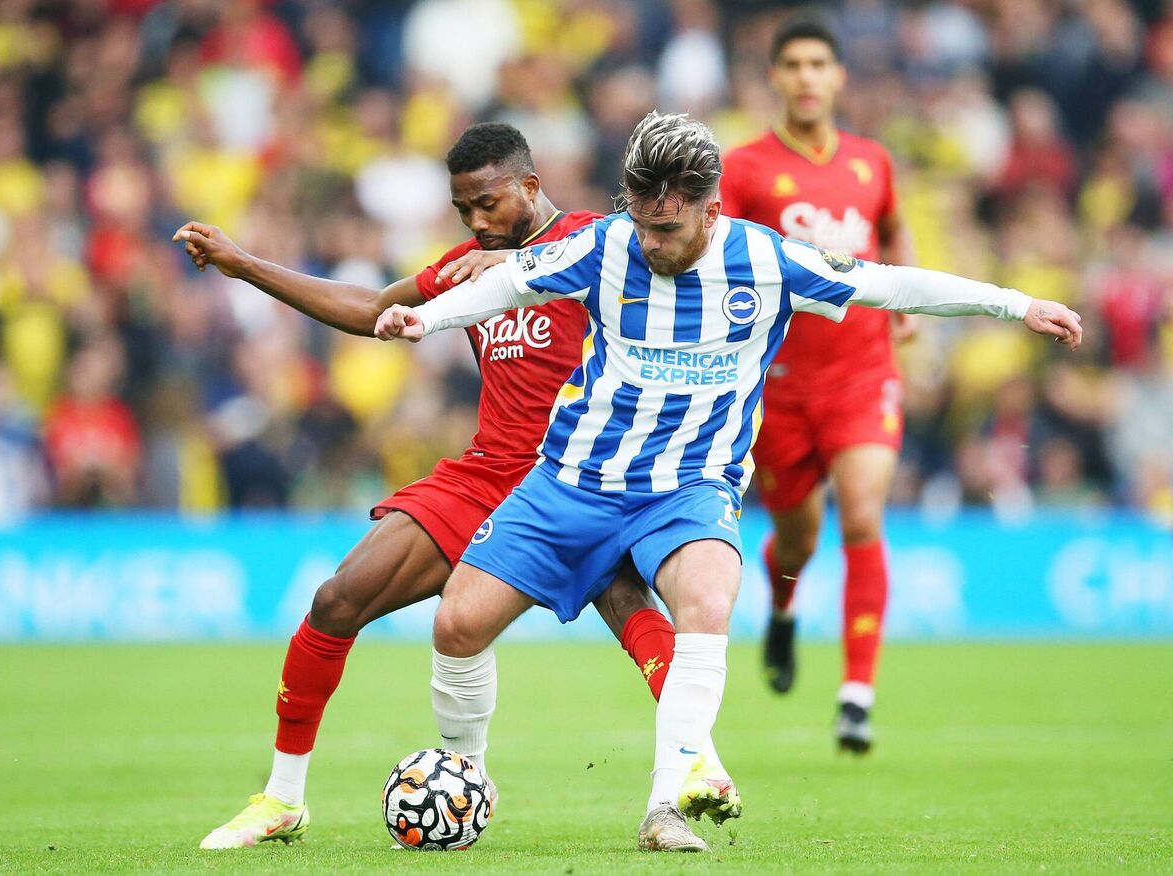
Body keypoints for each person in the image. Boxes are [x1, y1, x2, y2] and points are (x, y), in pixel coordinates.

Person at [374, 111, 1081, 852]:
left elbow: (891, 284)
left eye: (667, 230)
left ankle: (665, 810)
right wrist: (426, 322)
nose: (651, 243)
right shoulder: (606, 245)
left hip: (689, 487)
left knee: (708, 603)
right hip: (575, 479)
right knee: (457, 625)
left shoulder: (769, 260)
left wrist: (1017, 305)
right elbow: (510, 284)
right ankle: (469, 778)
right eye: (642, 223)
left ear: (711, 212)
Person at [177, 123, 719, 850]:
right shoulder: (468, 266)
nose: (477, 222)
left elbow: (683, 263)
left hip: (582, 476)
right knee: (337, 599)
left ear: (530, 186)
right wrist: (246, 266)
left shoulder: (603, 242)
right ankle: (282, 799)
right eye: (464, 209)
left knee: (631, 608)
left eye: (488, 203)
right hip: (487, 473)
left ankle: (695, 774)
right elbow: (373, 309)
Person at [720, 18, 916, 752]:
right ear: (775, 77)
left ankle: (856, 696)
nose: (806, 77)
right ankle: (782, 611)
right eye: (793, 64)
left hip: (863, 374)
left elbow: (894, 232)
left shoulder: (872, 162)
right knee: (797, 541)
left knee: (862, 513)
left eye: (818, 64)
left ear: (838, 77)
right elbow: (719, 254)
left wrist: (904, 301)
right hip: (781, 387)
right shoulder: (744, 168)